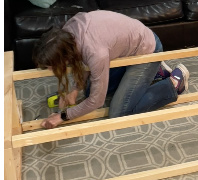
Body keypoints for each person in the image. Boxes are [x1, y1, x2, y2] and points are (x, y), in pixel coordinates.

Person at [32, 10, 189, 129]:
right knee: (88, 91)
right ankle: (154, 73)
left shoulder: (95, 52)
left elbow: (97, 102)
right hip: (125, 51)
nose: (52, 71)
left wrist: (62, 116)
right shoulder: (67, 33)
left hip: (148, 50)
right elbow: (85, 61)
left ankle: (173, 83)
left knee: (118, 112)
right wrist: (75, 90)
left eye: (52, 67)